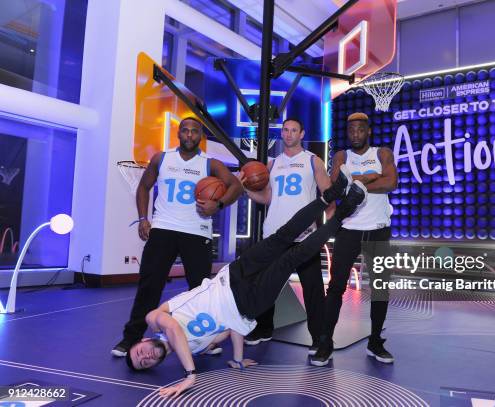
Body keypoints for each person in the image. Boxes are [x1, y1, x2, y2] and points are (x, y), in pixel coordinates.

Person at [126, 167, 364, 399]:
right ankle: (346, 209)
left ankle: (331, 195)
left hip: (231, 277)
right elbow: (230, 326)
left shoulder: (154, 320)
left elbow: (174, 329)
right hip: (249, 305)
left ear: (142, 341)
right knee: (294, 257)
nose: (145, 356)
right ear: (154, 365)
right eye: (144, 363)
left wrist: (190, 375)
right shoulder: (196, 349)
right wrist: (238, 358)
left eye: (139, 353)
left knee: (283, 235)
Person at [111, 117, 243, 357]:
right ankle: (131, 338)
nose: (189, 135)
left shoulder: (210, 164)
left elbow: (236, 186)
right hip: (163, 229)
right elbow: (143, 187)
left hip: (197, 231)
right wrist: (143, 218)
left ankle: (207, 341)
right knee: (149, 286)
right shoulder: (162, 158)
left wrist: (219, 204)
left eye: (194, 131)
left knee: (201, 290)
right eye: (185, 130)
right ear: (179, 133)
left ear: (200, 136)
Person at [311, 112, 398, 367]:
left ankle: (375, 342)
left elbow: (391, 182)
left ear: (368, 131)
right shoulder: (341, 156)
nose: (356, 134)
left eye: (361, 130)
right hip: (348, 228)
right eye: (352, 130)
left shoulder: (382, 153)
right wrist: (372, 178)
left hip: (378, 229)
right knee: (336, 286)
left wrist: (357, 181)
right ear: (348, 132)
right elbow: (337, 188)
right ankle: (326, 342)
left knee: (380, 288)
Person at [238, 117, 331, 354]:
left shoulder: (313, 161)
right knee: (264, 286)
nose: (289, 134)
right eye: (285, 130)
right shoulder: (272, 164)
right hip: (275, 235)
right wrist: (245, 188)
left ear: (302, 134)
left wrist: (333, 224)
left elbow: (328, 194)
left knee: (313, 290)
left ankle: (320, 339)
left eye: (293, 130)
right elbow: (268, 198)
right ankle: (264, 328)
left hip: (304, 236)